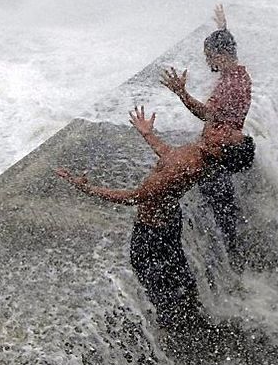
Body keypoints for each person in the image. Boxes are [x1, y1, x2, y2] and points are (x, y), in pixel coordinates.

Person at [55, 106, 251, 331]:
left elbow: (134, 197)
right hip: (169, 220)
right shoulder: (199, 155)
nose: (222, 128)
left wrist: (87, 189)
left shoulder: (185, 166)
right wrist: (148, 133)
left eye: (226, 133)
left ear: (219, 150)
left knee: (154, 281)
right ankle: (194, 315)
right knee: (177, 272)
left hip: (151, 234)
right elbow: (171, 156)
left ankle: (173, 327)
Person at [160, 4, 254, 268]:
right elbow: (228, 45)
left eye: (209, 56)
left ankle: (231, 259)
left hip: (218, 156)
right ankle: (233, 250)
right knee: (225, 207)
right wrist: (223, 28)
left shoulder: (228, 86)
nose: (207, 62)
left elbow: (206, 114)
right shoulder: (239, 75)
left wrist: (182, 94)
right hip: (226, 147)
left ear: (221, 56)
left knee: (219, 207)